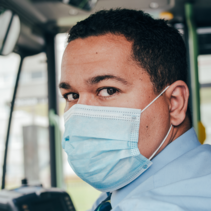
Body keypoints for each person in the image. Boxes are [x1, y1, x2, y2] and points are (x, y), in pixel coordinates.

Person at [59, 9, 211, 211]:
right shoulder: (125, 188)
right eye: (72, 95)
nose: (81, 115)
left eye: (108, 90)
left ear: (174, 103)